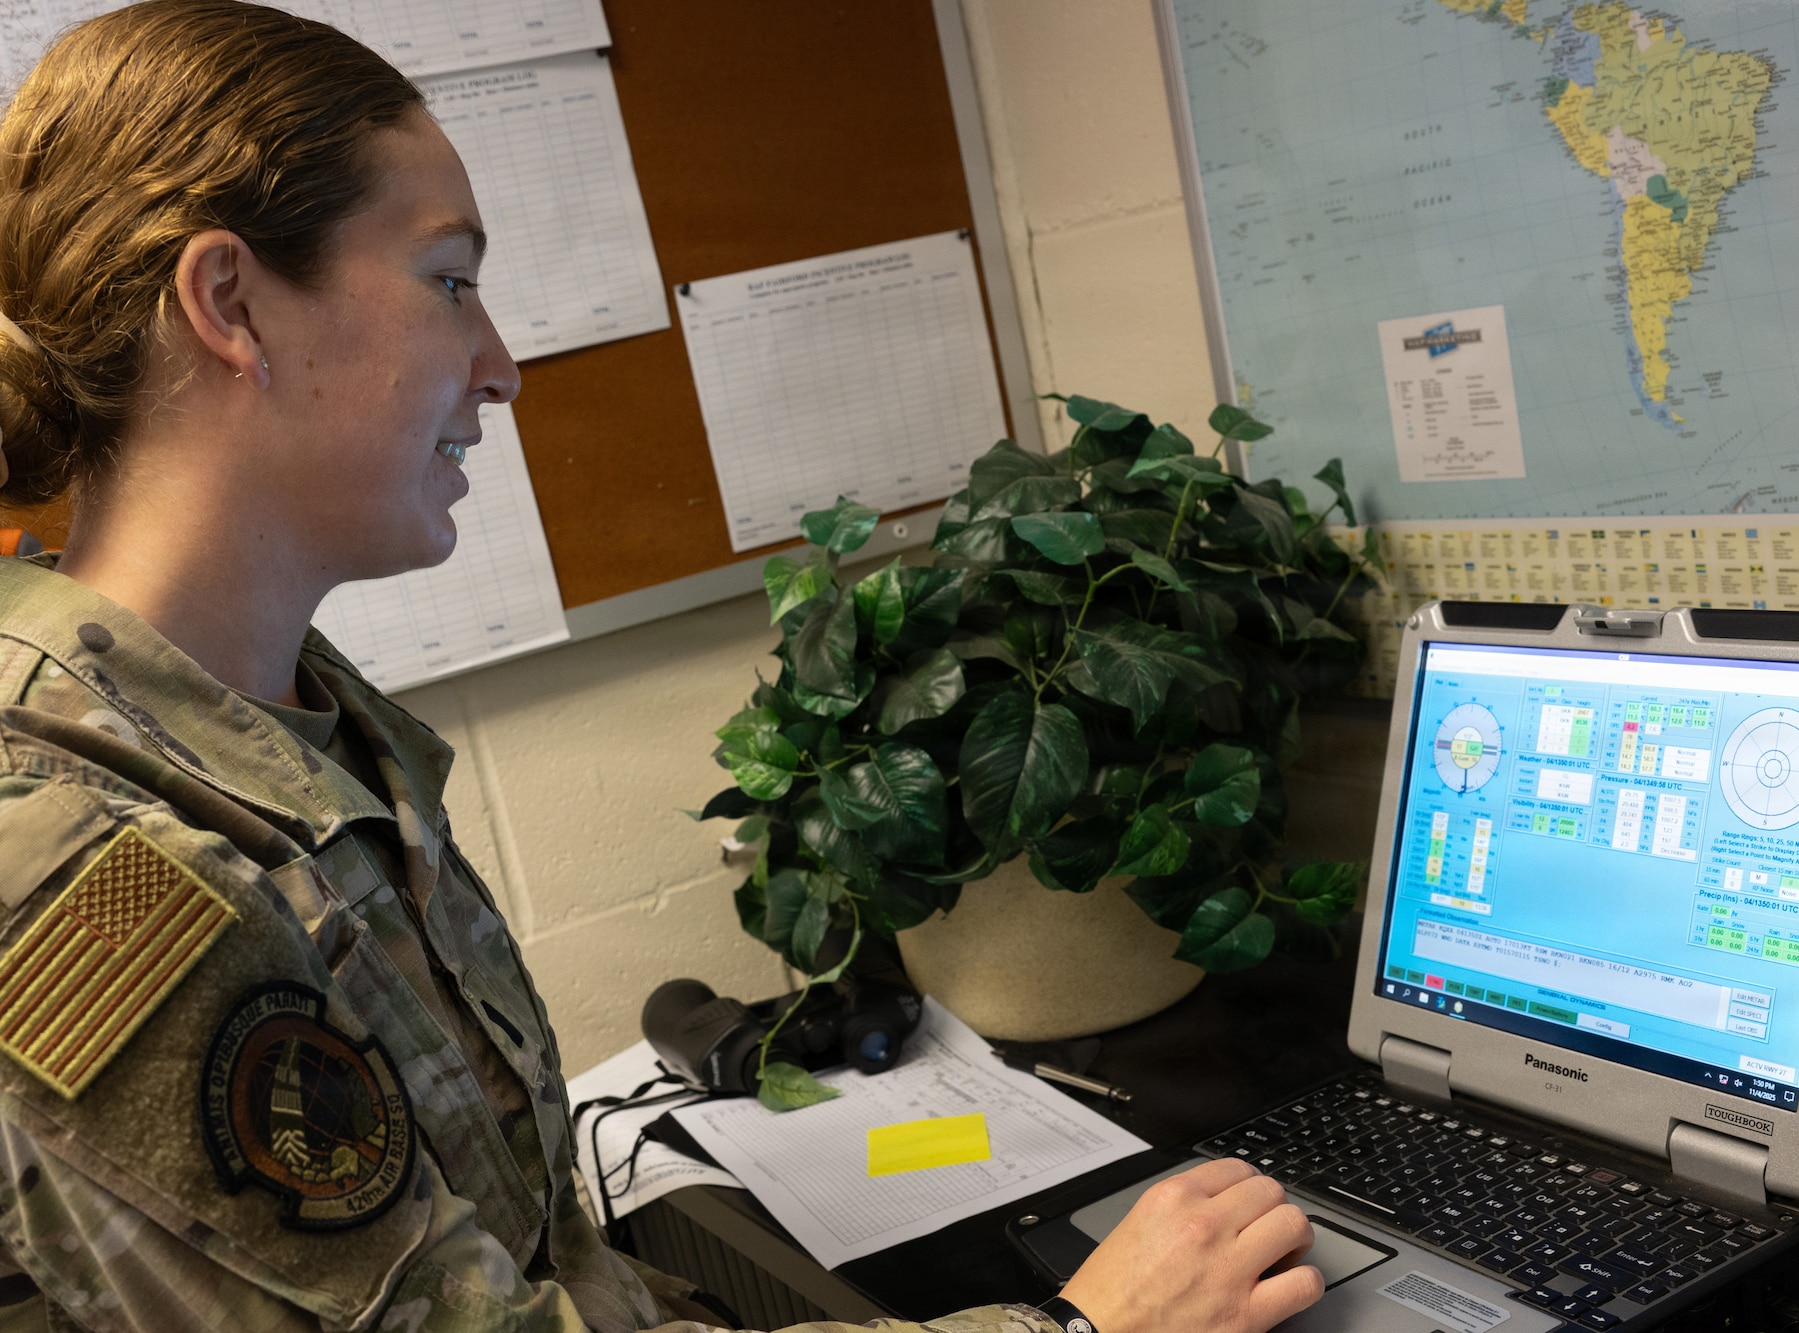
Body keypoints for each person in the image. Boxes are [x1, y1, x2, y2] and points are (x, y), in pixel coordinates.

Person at [0, 4, 1326, 1331]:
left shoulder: (303, 718)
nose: (501, 369)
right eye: (450, 282)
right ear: (231, 303)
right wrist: (1084, 1330)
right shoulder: (73, 862)